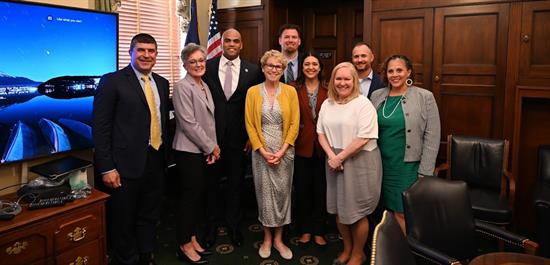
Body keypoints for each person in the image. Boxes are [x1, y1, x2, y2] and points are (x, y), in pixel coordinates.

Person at [93, 33, 170, 265]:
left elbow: (161, 120)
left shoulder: (162, 83)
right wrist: (106, 167)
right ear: (131, 52)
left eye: (151, 51)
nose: (147, 55)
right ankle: (127, 259)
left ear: (156, 55)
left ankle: (146, 254)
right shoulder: (112, 81)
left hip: (156, 159)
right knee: (123, 218)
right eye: (141, 50)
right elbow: (101, 126)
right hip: (124, 164)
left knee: (149, 212)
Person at [202, 28, 263, 248]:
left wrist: (251, 135)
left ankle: (234, 227)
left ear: (241, 45)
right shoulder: (207, 67)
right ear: (222, 43)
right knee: (210, 186)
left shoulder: (254, 71)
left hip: (239, 140)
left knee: (235, 186)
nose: (231, 44)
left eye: (235, 41)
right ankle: (209, 228)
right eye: (227, 40)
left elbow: (256, 106)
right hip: (211, 140)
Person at [317, 62, 382, 265]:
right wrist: (331, 156)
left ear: (354, 81)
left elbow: (364, 137)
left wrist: (340, 157)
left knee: (357, 211)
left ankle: (357, 254)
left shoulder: (363, 104)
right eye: (338, 78)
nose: (342, 83)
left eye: (347, 79)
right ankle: (347, 248)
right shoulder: (327, 103)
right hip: (334, 161)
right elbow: (320, 132)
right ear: (332, 81)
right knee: (339, 209)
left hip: (359, 161)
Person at [370, 54, 440, 233]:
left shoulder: (425, 97)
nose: (394, 74)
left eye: (399, 70)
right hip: (381, 164)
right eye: (390, 70)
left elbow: (432, 136)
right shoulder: (377, 95)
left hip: (407, 166)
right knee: (385, 212)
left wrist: (426, 170)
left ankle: (405, 253)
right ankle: (388, 249)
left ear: (408, 72)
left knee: (402, 212)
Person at [245, 49, 300, 260]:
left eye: (278, 66)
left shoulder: (290, 92)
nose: (274, 69)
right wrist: (262, 150)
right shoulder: (252, 92)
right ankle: (267, 238)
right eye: (270, 65)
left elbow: (295, 123)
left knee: (282, 195)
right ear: (263, 67)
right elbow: (249, 124)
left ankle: (279, 239)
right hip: (261, 153)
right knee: (264, 196)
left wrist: (282, 150)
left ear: (283, 69)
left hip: (285, 151)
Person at [172, 43, 220, 264]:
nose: (199, 64)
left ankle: (191, 238)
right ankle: (183, 245)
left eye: (201, 60)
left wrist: (211, 147)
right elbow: (189, 124)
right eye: (193, 61)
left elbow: (209, 122)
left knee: (196, 198)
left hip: (201, 150)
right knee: (188, 200)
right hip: (187, 151)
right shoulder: (182, 87)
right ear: (185, 64)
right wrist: (211, 147)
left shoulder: (203, 85)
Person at [292, 51, 328, 247]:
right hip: (300, 146)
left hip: (324, 148)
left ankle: (319, 231)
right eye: (307, 64)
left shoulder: (329, 89)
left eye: (315, 64)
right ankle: (305, 230)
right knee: (303, 191)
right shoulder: (293, 89)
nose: (311, 67)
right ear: (302, 67)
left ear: (320, 67)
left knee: (321, 191)